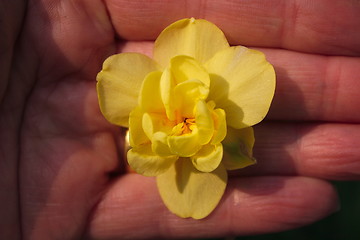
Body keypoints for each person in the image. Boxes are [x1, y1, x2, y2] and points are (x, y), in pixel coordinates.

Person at [1, 0, 359, 239]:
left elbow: (249, 73)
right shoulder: (159, 137)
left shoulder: (218, 121)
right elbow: (113, 79)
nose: (179, 125)